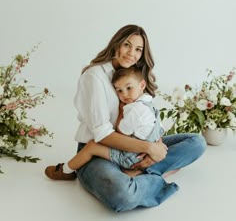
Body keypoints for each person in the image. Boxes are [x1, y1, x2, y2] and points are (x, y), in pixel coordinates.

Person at [45, 24, 206, 212]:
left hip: (137, 147)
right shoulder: (94, 76)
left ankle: (141, 170)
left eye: (138, 49)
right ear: (117, 44)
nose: (132, 53)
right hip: (100, 151)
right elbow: (102, 135)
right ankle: (150, 176)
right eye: (127, 45)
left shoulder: (134, 73)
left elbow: (150, 116)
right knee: (122, 195)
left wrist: (155, 147)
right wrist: (150, 148)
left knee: (197, 142)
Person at [45, 66, 165, 178]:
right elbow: (159, 129)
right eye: (119, 91)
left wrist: (120, 112)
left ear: (142, 84)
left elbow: (122, 132)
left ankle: (65, 171)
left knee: (92, 146)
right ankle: (146, 171)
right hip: (147, 152)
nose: (124, 94)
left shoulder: (134, 110)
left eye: (129, 88)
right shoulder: (149, 103)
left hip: (132, 157)